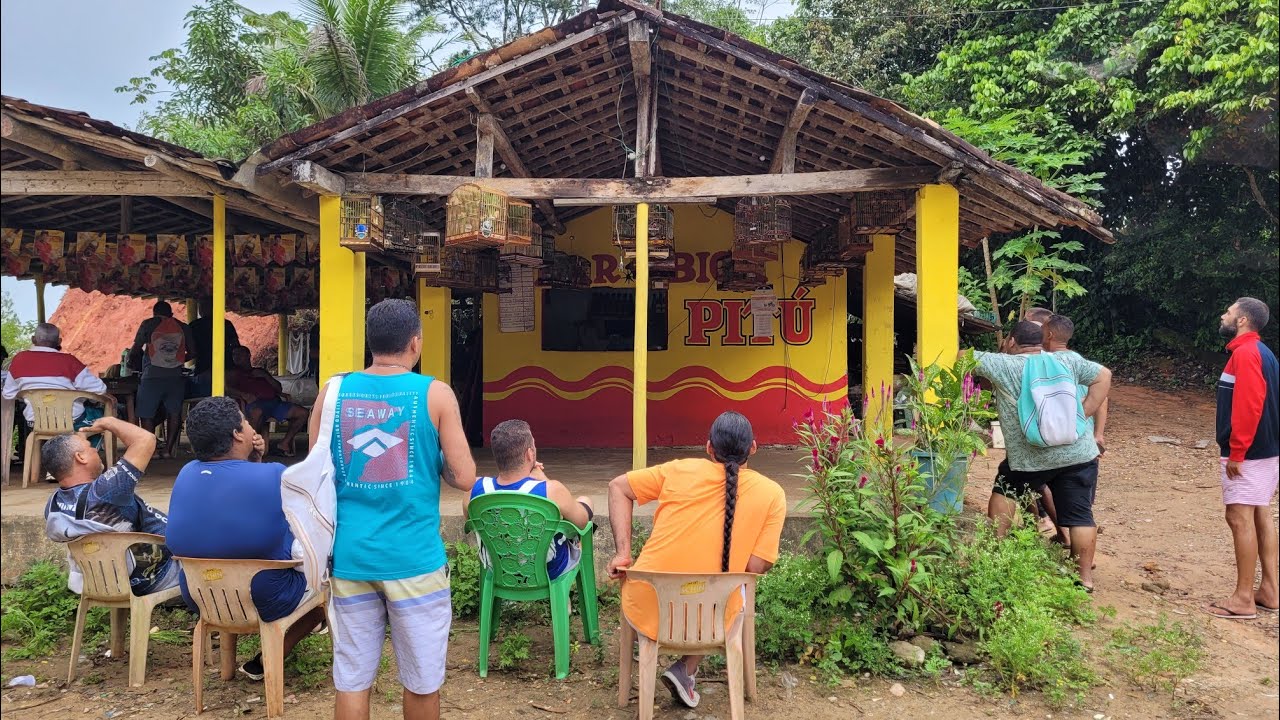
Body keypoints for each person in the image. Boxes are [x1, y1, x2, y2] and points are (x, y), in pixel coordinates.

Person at [308, 299, 476, 720]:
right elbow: (464, 475)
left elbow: (317, 466)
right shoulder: (435, 393)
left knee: (352, 679)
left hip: (349, 559)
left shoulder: (332, 393)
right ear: (415, 343)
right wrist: (429, 458)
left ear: (371, 343)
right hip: (414, 559)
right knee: (421, 681)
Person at [606, 411, 786, 709]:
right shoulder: (772, 494)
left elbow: (617, 487)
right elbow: (755, 568)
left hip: (646, 602)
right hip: (710, 619)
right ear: (753, 448)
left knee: (704, 586)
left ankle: (658, 651)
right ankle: (686, 669)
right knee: (732, 587)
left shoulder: (678, 471)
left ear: (708, 448)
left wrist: (623, 553)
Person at [165, 397, 326, 678]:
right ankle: (268, 659)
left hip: (201, 596)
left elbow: (236, 489)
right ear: (237, 434)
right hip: (266, 597)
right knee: (327, 584)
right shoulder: (276, 474)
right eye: (246, 421)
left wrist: (253, 458)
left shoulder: (186, 473)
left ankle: (231, 668)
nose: (252, 426)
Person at [977, 320, 1111, 590]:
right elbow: (1104, 375)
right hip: (1078, 453)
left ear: (1012, 341)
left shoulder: (1005, 364)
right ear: (1042, 340)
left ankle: (992, 556)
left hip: (1030, 457)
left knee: (1005, 491)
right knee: (1081, 514)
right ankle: (1084, 580)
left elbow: (959, 356)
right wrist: (1082, 413)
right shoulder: (1065, 360)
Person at [43, 416, 178, 595]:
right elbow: (145, 440)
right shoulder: (104, 492)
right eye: (91, 448)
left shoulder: (53, 504)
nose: (96, 451)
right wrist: (109, 422)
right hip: (157, 575)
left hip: (107, 581)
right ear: (80, 457)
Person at [1204, 297, 1279, 620]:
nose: (1223, 315)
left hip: (1248, 453)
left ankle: (1243, 599)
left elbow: (1249, 406)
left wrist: (1237, 451)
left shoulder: (1247, 354)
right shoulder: (1264, 353)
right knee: (1260, 512)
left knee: (1238, 517)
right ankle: (1270, 590)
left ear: (1243, 321)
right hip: (1266, 450)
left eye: (1229, 312)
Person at [468, 420, 593, 579]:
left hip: (500, 570)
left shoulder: (474, 489)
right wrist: (544, 480)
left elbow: (471, 521)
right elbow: (581, 522)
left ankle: (506, 599)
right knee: (585, 502)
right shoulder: (551, 489)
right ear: (529, 454)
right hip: (548, 569)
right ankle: (562, 600)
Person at [3, 323, 108, 429]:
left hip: (36, 423)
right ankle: (90, 445)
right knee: (100, 416)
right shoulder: (69, 361)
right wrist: (81, 397)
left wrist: (29, 395)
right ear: (59, 342)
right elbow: (100, 389)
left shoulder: (19, 360)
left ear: (33, 339)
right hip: (71, 422)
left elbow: (8, 394)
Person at [129, 301, 195, 458]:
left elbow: (136, 349)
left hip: (152, 376)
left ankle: (150, 451)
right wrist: (175, 360)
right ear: (171, 313)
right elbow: (193, 352)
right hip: (176, 376)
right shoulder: (183, 327)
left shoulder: (148, 324)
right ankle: (168, 450)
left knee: (146, 414)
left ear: (154, 312)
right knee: (174, 412)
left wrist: (134, 364)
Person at [227, 346, 309, 457]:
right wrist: (243, 395)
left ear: (248, 355)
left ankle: (284, 443)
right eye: (234, 355)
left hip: (275, 403)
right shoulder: (234, 373)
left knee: (303, 413)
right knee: (256, 412)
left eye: (240, 354)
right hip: (254, 404)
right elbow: (227, 388)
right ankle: (250, 447)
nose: (236, 357)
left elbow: (278, 388)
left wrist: (266, 377)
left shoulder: (259, 371)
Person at [187, 297, 240, 398]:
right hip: (227, 368)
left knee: (201, 399)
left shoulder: (195, 325)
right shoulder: (226, 324)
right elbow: (236, 346)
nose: (200, 309)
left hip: (204, 369)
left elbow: (190, 350)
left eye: (202, 307)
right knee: (226, 397)